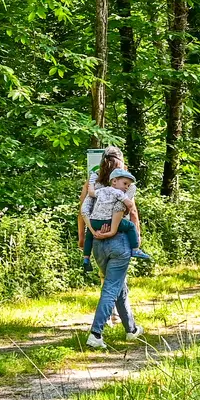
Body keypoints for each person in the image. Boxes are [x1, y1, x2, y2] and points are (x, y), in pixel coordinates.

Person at [86, 168, 144, 347]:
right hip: (118, 243)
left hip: (97, 243)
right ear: (115, 179)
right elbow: (132, 211)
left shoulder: (96, 190)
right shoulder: (122, 192)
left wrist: (88, 236)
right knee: (111, 288)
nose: (127, 186)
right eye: (125, 183)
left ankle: (131, 330)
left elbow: (84, 211)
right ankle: (96, 334)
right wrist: (137, 238)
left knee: (118, 286)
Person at [79, 149, 150, 269]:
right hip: (119, 235)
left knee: (110, 278)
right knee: (115, 280)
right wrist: (137, 235)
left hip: (96, 233)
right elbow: (132, 211)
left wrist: (82, 237)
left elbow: (83, 209)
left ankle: (87, 259)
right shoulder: (124, 184)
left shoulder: (93, 182)